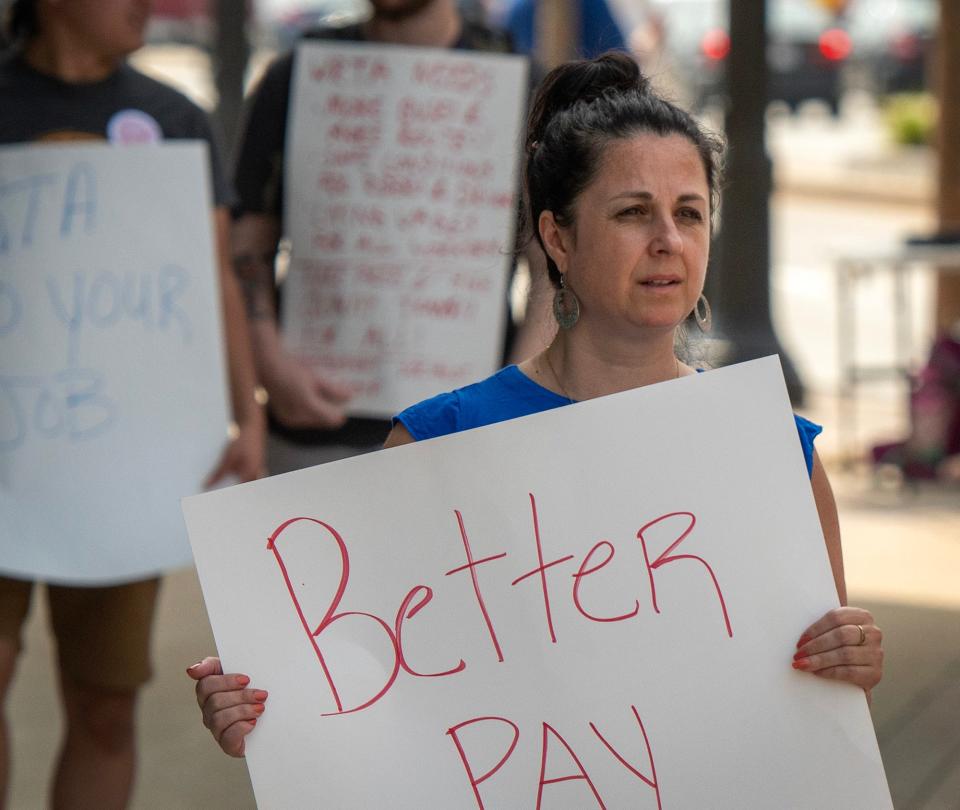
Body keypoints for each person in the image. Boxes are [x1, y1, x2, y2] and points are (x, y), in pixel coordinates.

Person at [188, 51, 884, 761]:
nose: (668, 241)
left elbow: (821, 697)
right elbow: (355, 679)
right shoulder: (440, 441)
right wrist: (261, 711)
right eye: (632, 213)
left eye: (689, 213)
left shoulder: (772, 451)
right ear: (557, 237)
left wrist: (853, 662)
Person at [0, 0, 266, 806]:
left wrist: (246, 415)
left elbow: (213, 274)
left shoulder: (174, 118)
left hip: (119, 466)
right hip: (9, 460)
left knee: (106, 705)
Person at [231, 0, 549, 475]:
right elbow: (246, 247)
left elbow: (550, 269)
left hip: (464, 441)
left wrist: (503, 408)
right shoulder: (294, 77)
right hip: (311, 434)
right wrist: (272, 370)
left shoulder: (524, 87)